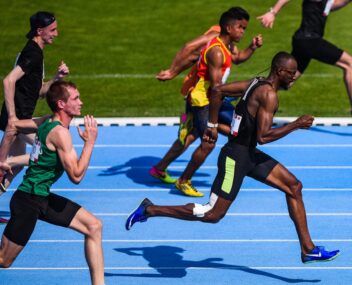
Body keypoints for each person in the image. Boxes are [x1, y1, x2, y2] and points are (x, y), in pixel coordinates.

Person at [126, 52, 340, 264]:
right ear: (280, 71)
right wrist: (295, 125)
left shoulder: (255, 83)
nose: (295, 77)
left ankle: (308, 249)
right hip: (235, 158)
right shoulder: (269, 95)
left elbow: (218, 91)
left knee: (294, 187)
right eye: (291, 73)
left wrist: (211, 125)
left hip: (248, 154)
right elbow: (264, 137)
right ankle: (149, 209)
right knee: (212, 214)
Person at [150, 7, 263, 197]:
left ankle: (161, 167)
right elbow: (215, 85)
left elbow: (237, 59)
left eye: (245, 28)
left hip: (210, 96)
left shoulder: (226, 45)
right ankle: (184, 181)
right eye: (240, 28)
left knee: (195, 136)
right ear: (228, 27)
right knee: (210, 140)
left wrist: (252, 47)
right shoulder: (216, 51)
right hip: (203, 99)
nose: (243, 32)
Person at [0, 81, 104, 284]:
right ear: (61, 104)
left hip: (41, 197)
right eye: (75, 98)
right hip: (28, 201)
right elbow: (76, 177)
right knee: (4, 260)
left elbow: (15, 125)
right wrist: (90, 143)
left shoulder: (47, 120)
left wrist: (3, 159)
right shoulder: (60, 134)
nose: (81, 102)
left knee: (94, 226)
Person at [0, 11, 69, 223]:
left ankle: (5, 162)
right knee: (45, 152)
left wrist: (56, 78)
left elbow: (38, 91)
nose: (56, 34)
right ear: (40, 31)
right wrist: (13, 117)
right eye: (53, 30)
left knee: (17, 166)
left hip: (21, 117)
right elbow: (8, 81)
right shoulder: (33, 53)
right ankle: (4, 161)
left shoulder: (35, 52)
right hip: (19, 120)